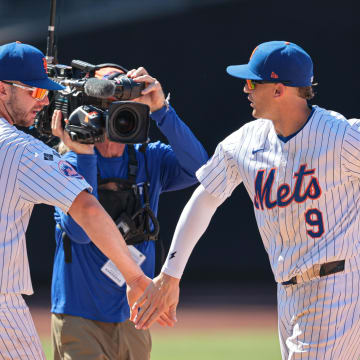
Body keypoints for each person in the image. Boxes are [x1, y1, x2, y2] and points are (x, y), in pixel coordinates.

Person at [132, 40, 360, 359]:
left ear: (279, 90)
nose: (245, 89)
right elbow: (205, 197)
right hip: (288, 291)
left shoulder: (341, 136)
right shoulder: (246, 141)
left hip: (337, 285)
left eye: (253, 82)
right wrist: (171, 275)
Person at [0, 41, 151, 360]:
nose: (44, 102)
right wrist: (135, 277)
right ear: (3, 90)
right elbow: (85, 208)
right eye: (36, 92)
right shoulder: (18, 148)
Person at [50, 65, 208, 360]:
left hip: (135, 314)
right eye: (106, 105)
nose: (115, 113)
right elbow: (81, 233)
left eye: (122, 103)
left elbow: (201, 170)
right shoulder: (68, 161)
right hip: (80, 315)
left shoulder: (149, 156)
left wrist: (162, 110)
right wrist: (84, 155)